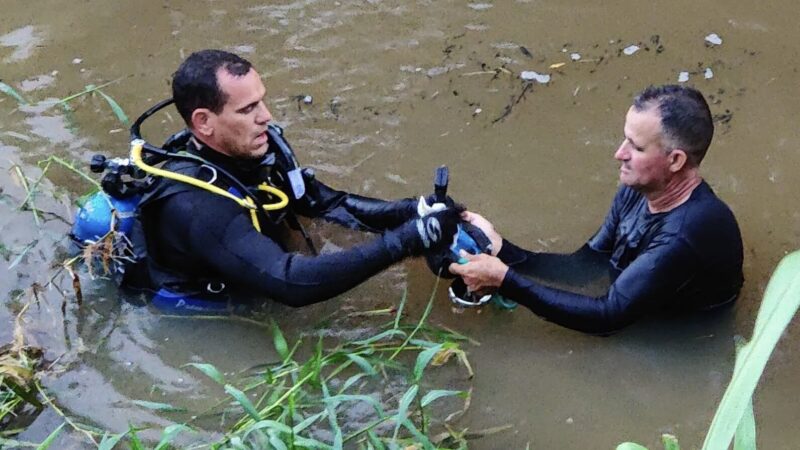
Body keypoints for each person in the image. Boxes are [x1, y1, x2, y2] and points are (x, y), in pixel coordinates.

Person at [135, 49, 462, 307]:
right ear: (204, 122)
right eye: (248, 109)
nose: (266, 117)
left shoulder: (253, 147)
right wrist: (407, 241)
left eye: (261, 100)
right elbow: (290, 283)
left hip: (248, 253)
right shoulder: (197, 207)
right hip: (210, 307)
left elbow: (327, 204)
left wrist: (413, 211)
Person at [449, 85, 744, 334]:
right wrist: (502, 248)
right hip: (638, 301)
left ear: (676, 161)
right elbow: (586, 267)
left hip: (684, 337)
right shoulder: (637, 190)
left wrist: (505, 280)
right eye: (624, 138)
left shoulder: (684, 235)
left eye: (637, 148)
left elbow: (608, 316)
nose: (620, 154)